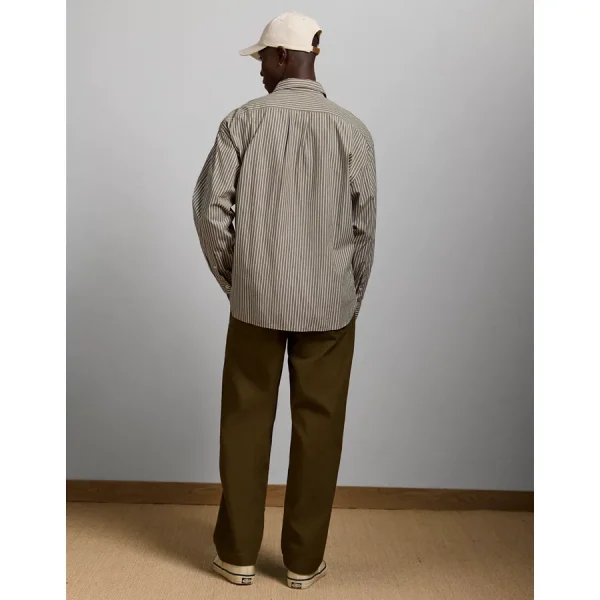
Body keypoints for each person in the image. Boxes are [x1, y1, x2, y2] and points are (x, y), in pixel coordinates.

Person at [192, 11, 377, 590]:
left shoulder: (242, 122)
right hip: (330, 306)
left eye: (262, 60)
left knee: (244, 424)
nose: (259, 72)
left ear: (281, 56)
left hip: (256, 303)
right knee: (320, 430)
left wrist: (241, 279)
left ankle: (238, 555)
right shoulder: (353, 131)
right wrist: (348, 295)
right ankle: (302, 561)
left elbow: (210, 212)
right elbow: (364, 230)